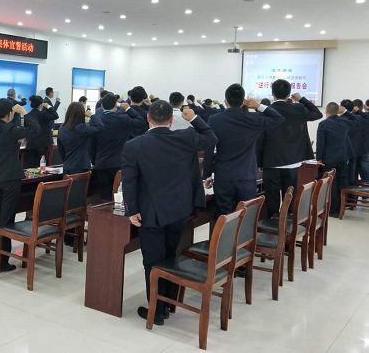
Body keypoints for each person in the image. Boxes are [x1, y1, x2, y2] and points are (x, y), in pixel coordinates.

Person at [122, 100, 217, 325]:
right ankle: (166, 305)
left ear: (148, 118)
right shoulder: (186, 137)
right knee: (169, 256)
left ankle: (156, 310)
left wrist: (131, 210)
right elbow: (211, 137)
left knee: (152, 261)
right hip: (180, 210)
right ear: (171, 120)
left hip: (150, 212)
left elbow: (129, 181)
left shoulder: (134, 145)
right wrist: (194, 118)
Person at [202, 84, 284, 215]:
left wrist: (207, 175)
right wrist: (258, 106)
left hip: (223, 176)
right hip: (246, 176)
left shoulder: (214, 120)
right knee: (246, 217)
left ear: (226, 101)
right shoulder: (253, 119)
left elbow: (209, 149)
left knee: (224, 217)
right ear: (243, 102)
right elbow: (278, 118)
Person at [0, 99, 40, 272]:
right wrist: (25, 113)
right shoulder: (11, 129)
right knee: (6, 221)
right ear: (10, 113)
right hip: (11, 179)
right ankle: (3, 262)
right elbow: (35, 130)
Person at [257, 80, 323, 217]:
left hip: (271, 161)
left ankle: (273, 221)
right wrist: (302, 99)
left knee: (272, 198)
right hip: (293, 160)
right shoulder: (298, 108)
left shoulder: (267, 111)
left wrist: (259, 162)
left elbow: (260, 139)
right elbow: (317, 113)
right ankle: (288, 221)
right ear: (289, 94)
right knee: (290, 195)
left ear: (272, 93)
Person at [89, 93, 147, 200]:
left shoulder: (96, 121)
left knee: (104, 198)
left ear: (101, 106)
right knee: (120, 197)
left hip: (101, 163)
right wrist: (128, 109)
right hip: (120, 163)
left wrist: (94, 161)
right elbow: (141, 122)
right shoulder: (123, 119)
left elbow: (91, 144)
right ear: (116, 106)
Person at [316, 102, 351, 217]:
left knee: (331, 184)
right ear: (337, 111)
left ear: (326, 111)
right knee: (341, 182)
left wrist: (319, 158)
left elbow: (320, 143)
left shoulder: (323, 124)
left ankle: (332, 209)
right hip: (343, 157)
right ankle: (341, 208)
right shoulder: (345, 122)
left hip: (329, 158)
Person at [57, 102, 105, 175]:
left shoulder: (61, 129)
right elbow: (100, 127)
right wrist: (92, 115)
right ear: (82, 114)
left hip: (67, 165)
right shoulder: (81, 128)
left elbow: (61, 150)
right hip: (82, 165)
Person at [24, 95, 58, 167]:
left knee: (32, 167)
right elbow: (55, 115)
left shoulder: (28, 115)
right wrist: (49, 106)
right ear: (41, 104)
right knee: (43, 166)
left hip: (31, 145)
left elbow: (26, 129)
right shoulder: (44, 114)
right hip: (43, 145)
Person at [340, 99, 366, 183]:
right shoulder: (358, 118)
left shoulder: (340, 120)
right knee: (352, 173)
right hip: (356, 149)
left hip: (344, 150)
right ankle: (351, 189)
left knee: (344, 173)